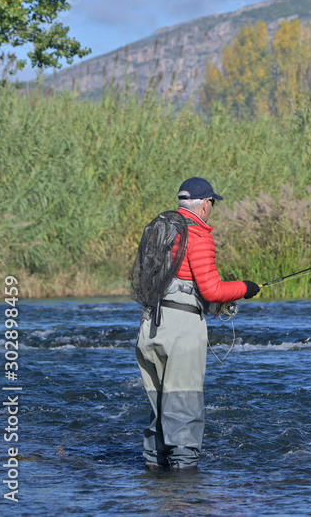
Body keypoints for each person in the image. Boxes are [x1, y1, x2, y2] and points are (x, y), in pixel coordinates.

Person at [134, 177, 260, 471]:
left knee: (160, 410)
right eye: (212, 203)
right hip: (181, 330)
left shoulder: (160, 231)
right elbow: (213, 290)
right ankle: (186, 494)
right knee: (185, 409)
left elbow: (177, 283)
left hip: (150, 327)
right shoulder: (198, 235)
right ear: (205, 204)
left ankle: (155, 490)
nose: (211, 208)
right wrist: (245, 287)